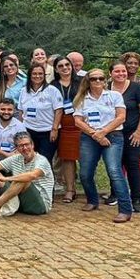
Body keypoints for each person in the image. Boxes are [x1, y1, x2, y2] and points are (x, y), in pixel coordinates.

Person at [73, 68, 131, 221]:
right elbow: (78, 121)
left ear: (105, 80)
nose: (98, 81)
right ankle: (92, 200)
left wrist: (103, 132)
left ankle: (125, 209)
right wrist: (95, 135)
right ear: (88, 81)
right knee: (85, 173)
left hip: (113, 135)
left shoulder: (114, 95)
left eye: (101, 78)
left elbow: (121, 117)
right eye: (94, 79)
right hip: (89, 136)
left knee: (114, 171)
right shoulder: (82, 98)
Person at [109, 59, 140, 213]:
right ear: (110, 73)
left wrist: (139, 132)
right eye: (117, 71)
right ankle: (115, 195)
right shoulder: (105, 88)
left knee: (132, 163)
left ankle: (136, 199)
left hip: (133, 133)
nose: (121, 74)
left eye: (123, 71)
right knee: (114, 164)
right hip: (112, 133)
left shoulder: (137, 88)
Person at [16, 63, 64, 161]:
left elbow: (58, 111)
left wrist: (54, 130)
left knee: (44, 160)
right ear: (30, 75)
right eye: (34, 74)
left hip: (47, 131)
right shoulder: (24, 91)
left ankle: (46, 177)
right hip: (29, 130)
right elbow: (21, 111)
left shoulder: (52, 90)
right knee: (29, 159)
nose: (37, 76)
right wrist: (21, 130)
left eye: (40, 73)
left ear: (44, 75)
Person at [49, 55, 80, 203]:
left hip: (81, 123)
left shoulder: (81, 83)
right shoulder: (52, 85)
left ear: (72, 66)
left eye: (67, 65)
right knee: (67, 158)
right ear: (56, 69)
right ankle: (70, 189)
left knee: (86, 158)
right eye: (60, 66)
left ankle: (88, 189)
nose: (65, 68)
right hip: (63, 124)